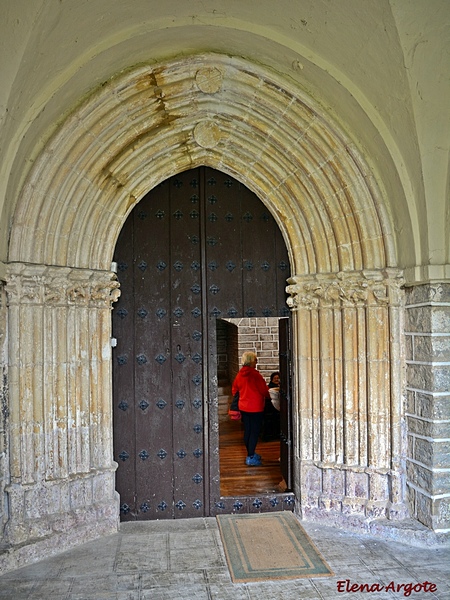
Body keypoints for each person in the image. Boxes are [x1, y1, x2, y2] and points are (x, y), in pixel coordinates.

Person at [232, 351, 270, 466]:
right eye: (255, 360)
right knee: (255, 432)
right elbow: (264, 390)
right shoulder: (255, 375)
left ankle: (250, 453)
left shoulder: (239, 375)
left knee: (247, 431)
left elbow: (234, 390)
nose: (256, 362)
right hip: (256, 407)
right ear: (251, 361)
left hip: (243, 407)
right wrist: (269, 396)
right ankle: (251, 456)